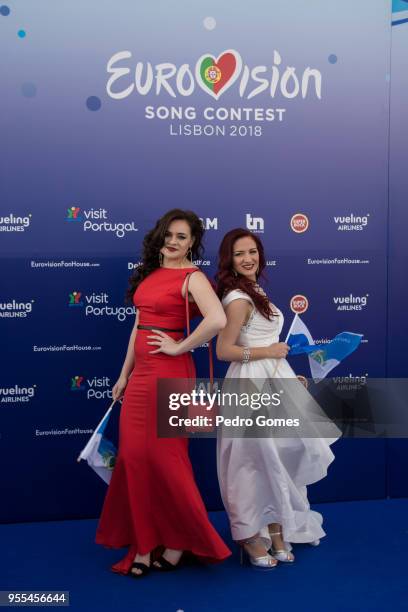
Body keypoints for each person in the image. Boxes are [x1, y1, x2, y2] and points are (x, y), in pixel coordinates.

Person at [96, 209, 231, 577]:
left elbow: (217, 320)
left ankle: (177, 541)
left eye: (182, 237)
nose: (173, 242)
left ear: (192, 243)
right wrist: (124, 374)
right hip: (141, 379)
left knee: (168, 461)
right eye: (169, 234)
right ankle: (144, 544)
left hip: (170, 376)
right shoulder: (152, 272)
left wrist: (180, 346)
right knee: (134, 459)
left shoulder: (193, 277)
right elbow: (138, 326)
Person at [215, 228, 339, 570]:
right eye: (240, 254)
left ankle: (275, 526)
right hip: (248, 385)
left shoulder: (255, 291)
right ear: (230, 259)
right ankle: (250, 536)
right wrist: (269, 351)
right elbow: (224, 349)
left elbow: (267, 344)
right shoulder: (238, 298)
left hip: (273, 379)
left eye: (252, 251)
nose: (248, 259)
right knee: (250, 462)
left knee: (280, 456)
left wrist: (284, 370)